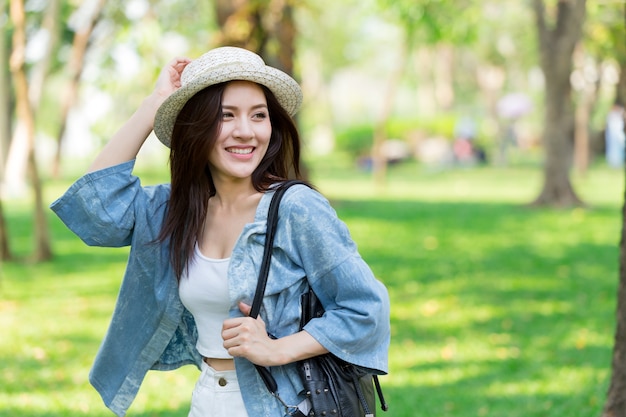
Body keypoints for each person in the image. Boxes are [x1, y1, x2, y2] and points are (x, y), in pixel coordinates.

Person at [50, 46, 390, 417]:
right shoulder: (173, 211)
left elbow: (366, 309)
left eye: (258, 115)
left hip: (281, 405)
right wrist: (155, 105)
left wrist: (278, 349)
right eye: (226, 116)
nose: (246, 132)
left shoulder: (295, 209)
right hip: (208, 399)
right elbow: (94, 209)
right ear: (195, 127)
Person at [605, 101, 625, 168]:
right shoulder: (611, 114)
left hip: (618, 135)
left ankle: (618, 162)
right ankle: (613, 163)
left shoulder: (620, 113)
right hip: (612, 135)